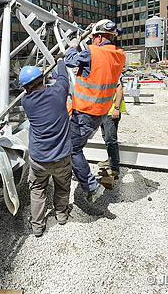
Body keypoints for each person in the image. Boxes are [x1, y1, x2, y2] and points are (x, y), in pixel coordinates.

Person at [64, 19, 126, 202]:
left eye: (92, 38)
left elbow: (69, 60)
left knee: (72, 148)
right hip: (101, 111)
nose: (91, 41)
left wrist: (74, 44)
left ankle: (91, 186)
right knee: (77, 145)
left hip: (86, 111)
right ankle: (80, 173)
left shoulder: (92, 52)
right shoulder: (119, 55)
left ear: (98, 37)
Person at [20, 60, 72, 237]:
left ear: (26, 87)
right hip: (61, 157)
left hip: (39, 159)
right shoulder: (58, 93)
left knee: (37, 190)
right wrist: (60, 62)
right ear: (42, 79)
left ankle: (37, 226)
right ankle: (61, 215)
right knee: (62, 187)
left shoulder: (26, 101)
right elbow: (63, 77)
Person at [98, 81, 125, 180]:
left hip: (111, 112)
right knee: (106, 138)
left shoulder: (112, 69)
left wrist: (116, 108)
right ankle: (111, 161)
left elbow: (119, 89)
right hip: (102, 111)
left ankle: (114, 168)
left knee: (110, 140)